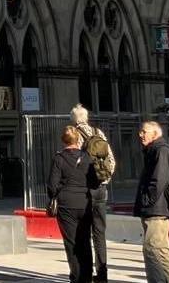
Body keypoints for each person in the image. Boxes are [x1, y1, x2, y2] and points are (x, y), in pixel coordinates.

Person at [68, 104, 114, 282]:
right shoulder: (98, 132)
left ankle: (85, 274)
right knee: (100, 233)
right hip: (101, 190)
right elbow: (111, 160)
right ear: (86, 117)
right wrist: (104, 180)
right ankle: (102, 274)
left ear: (73, 119)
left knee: (84, 233)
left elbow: (76, 165)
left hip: (85, 192)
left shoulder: (74, 135)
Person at [133, 120, 169, 283]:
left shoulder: (161, 151)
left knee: (153, 250)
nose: (140, 135)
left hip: (156, 210)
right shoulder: (154, 151)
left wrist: (147, 201)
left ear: (155, 133)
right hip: (155, 209)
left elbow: (158, 181)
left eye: (144, 131)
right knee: (160, 251)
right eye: (140, 131)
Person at [47, 125, 94, 283]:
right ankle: (87, 277)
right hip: (85, 202)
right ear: (78, 139)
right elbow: (93, 180)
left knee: (71, 243)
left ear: (63, 140)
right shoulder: (87, 157)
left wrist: (59, 192)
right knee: (85, 240)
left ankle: (77, 277)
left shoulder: (59, 158)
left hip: (66, 204)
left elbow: (52, 186)